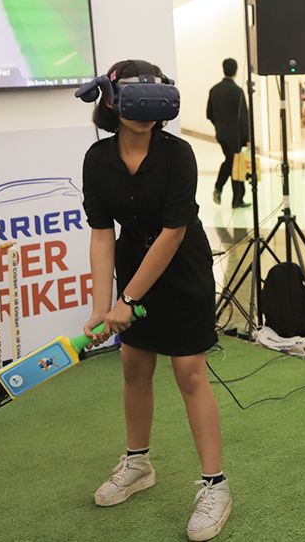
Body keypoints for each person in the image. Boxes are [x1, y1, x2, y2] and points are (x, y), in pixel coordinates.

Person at [82, 59, 232, 541]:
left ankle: (216, 486)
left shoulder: (179, 154)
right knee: (134, 367)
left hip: (181, 268)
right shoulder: (97, 159)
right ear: (111, 99)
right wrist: (100, 305)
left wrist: (126, 298)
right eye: (133, 98)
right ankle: (138, 464)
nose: (144, 111)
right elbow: (103, 236)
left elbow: (172, 232)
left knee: (189, 373)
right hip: (132, 263)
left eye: (152, 99)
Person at [207, 58, 249, 209]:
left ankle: (235, 197)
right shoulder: (237, 91)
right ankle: (229, 194)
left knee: (231, 162)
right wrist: (248, 138)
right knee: (235, 164)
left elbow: (209, 114)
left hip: (221, 135)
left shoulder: (214, 90)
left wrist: (219, 126)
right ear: (236, 71)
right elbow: (243, 117)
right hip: (235, 136)